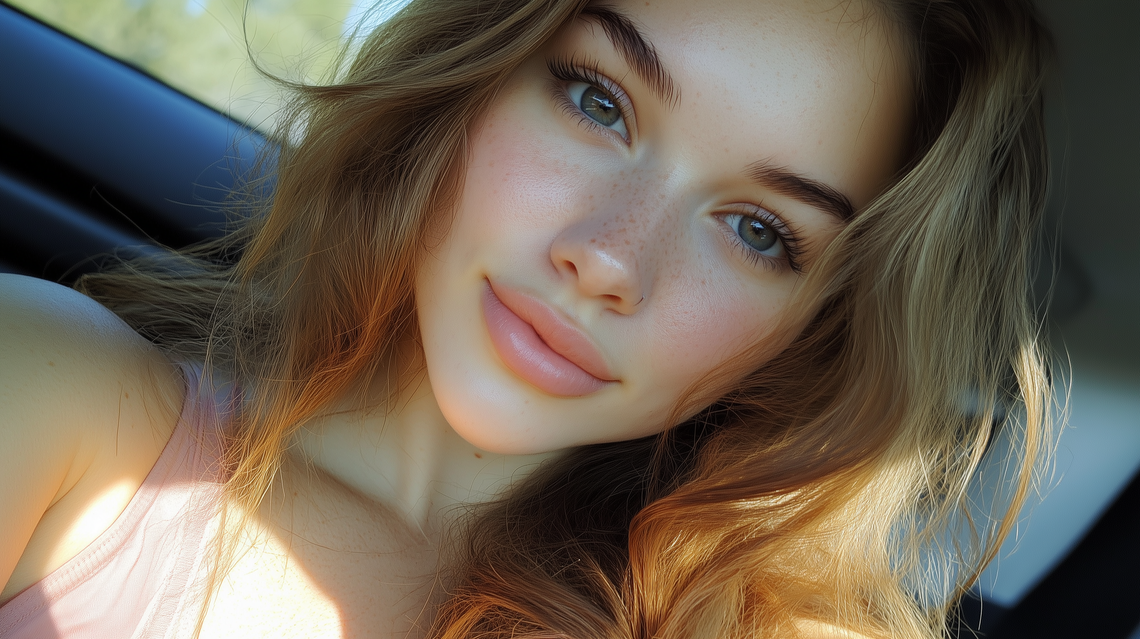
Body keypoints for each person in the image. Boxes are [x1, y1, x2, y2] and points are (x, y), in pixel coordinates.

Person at [0, 0, 1055, 637]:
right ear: (477, 76)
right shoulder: (53, 388)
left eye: (758, 231)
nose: (607, 258)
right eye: (599, 101)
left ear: (812, 337)